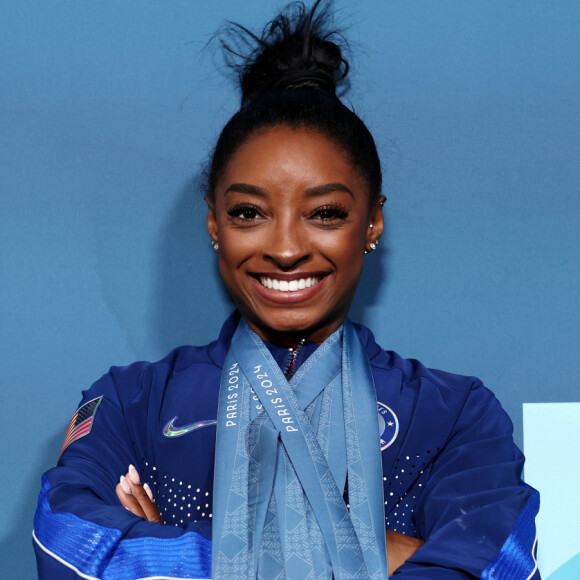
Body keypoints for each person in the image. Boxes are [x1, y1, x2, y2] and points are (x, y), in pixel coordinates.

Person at [33, 1, 540, 578]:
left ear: (372, 223)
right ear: (214, 224)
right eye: (250, 212)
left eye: (324, 212)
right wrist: (376, 555)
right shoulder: (134, 402)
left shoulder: (454, 416)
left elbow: (494, 568)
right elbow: (67, 545)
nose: (286, 247)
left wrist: (165, 548)